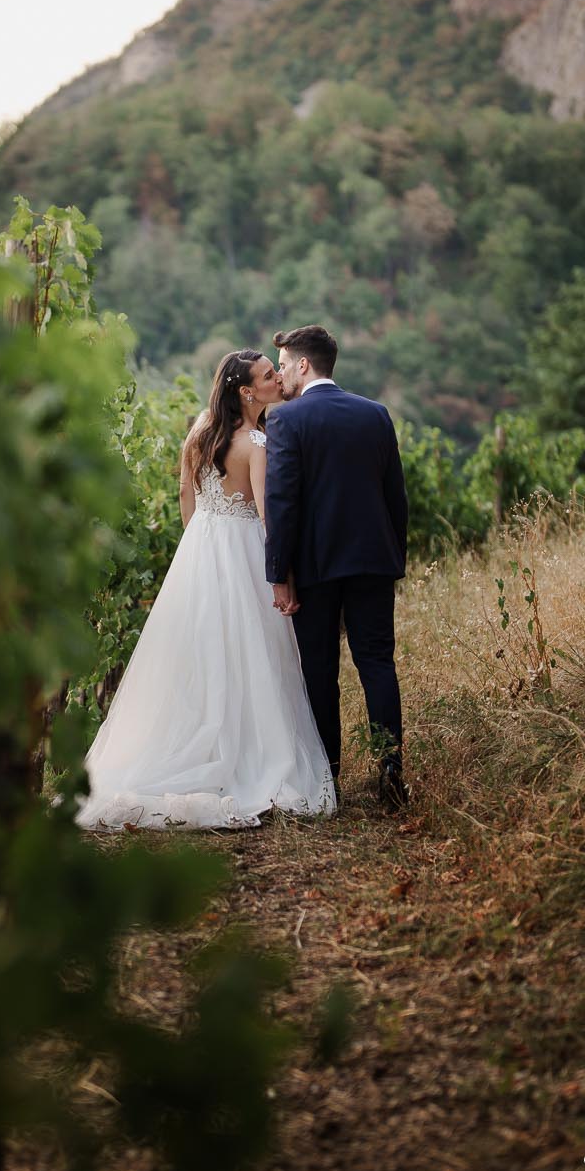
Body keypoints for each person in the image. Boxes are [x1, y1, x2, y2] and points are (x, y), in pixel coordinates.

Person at [74, 349, 338, 830]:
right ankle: (247, 756)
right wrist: (282, 575)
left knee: (198, 654)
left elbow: (185, 493)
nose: (276, 379)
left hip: (201, 547)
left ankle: (194, 743)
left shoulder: (200, 429)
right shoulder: (257, 442)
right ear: (247, 392)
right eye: (267, 376)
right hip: (243, 549)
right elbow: (267, 514)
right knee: (251, 652)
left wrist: (197, 543)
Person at [261, 324, 410, 809]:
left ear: (303, 365)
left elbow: (282, 504)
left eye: (284, 365)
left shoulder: (287, 420)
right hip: (372, 561)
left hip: (316, 566)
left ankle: (329, 779)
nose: (281, 374)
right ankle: (390, 768)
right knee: (377, 663)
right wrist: (394, 558)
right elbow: (396, 497)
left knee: (320, 670)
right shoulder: (375, 414)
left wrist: (278, 573)